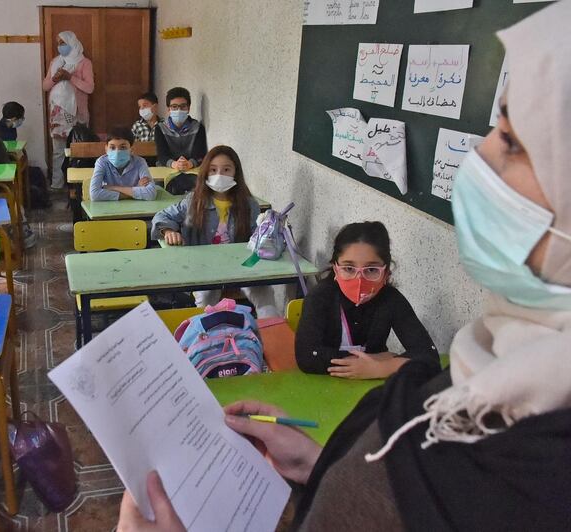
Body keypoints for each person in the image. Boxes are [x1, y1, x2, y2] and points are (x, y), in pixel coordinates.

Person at [118, 2, 571, 530]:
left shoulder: (536, 469)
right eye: (495, 127)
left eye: (512, 142)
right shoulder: (500, 364)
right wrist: (320, 461)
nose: (479, 159)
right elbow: (388, 468)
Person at [296, 222, 439, 379]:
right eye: (349, 269)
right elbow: (308, 356)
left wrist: (382, 368)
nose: (359, 280)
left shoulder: (391, 299)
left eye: (371, 270)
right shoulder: (320, 297)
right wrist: (378, 359)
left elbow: (429, 357)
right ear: (336, 269)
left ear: (386, 274)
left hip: (371, 388)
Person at [152, 145, 278, 318]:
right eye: (213, 170)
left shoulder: (249, 205)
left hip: (242, 266)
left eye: (226, 169)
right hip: (204, 269)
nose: (220, 175)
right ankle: (209, 341)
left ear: (236, 173)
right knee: (206, 301)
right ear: (205, 173)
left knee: (265, 295)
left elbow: (256, 240)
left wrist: (269, 233)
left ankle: (272, 338)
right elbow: (162, 216)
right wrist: (168, 231)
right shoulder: (193, 202)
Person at [42, 30, 95, 190]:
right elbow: (45, 86)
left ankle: (79, 185)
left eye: (63, 43)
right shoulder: (55, 61)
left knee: (79, 149)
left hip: (77, 113)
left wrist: (70, 77)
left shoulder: (84, 62)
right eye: (58, 43)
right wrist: (55, 78)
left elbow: (90, 88)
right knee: (58, 151)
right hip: (57, 113)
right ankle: (57, 184)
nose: (60, 46)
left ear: (72, 42)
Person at [154, 87, 207, 194]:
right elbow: (162, 155)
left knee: (199, 189)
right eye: (174, 107)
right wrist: (174, 164)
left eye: (183, 106)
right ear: (168, 109)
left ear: (188, 108)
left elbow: (200, 154)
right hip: (167, 169)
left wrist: (189, 164)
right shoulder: (160, 128)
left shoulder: (198, 127)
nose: (179, 110)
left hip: (191, 169)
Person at [90, 127, 155, 201]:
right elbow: (94, 195)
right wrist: (136, 189)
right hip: (109, 209)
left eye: (123, 147)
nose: (117, 152)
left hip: (135, 208)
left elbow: (151, 194)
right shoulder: (102, 162)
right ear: (106, 149)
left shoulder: (140, 162)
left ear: (131, 150)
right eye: (112, 147)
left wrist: (112, 188)